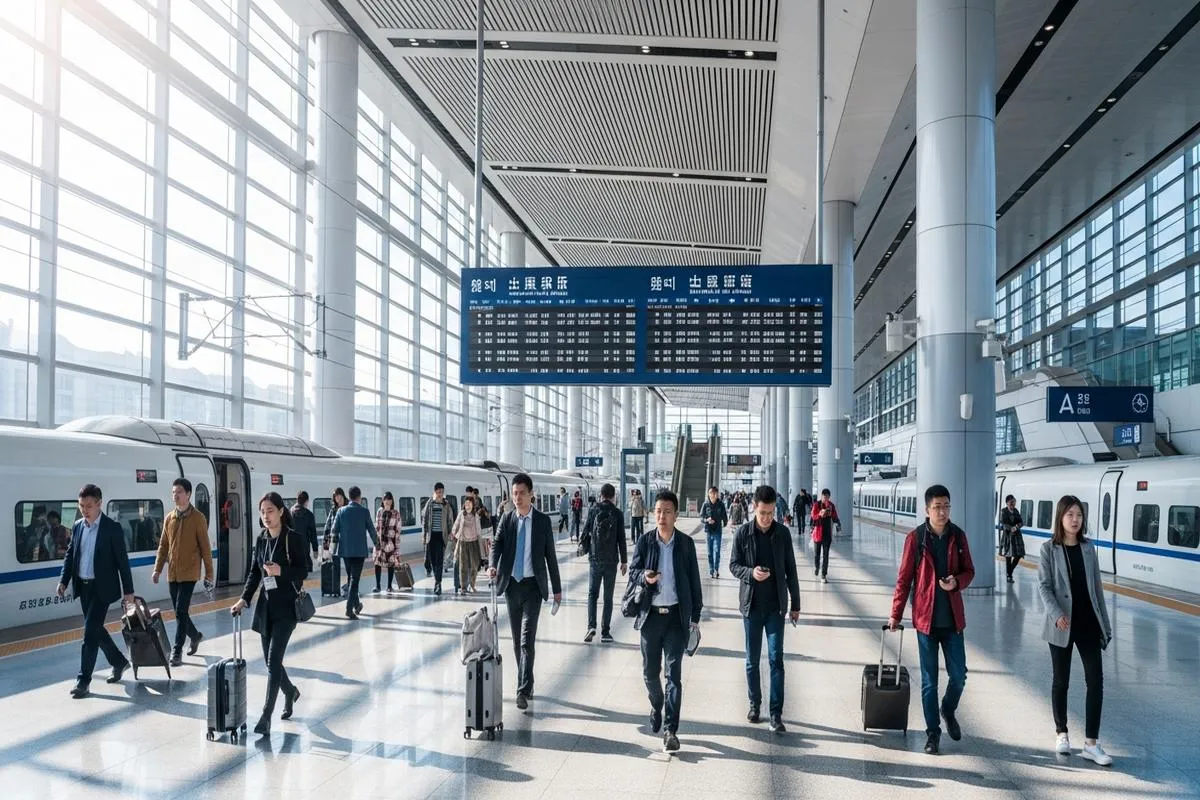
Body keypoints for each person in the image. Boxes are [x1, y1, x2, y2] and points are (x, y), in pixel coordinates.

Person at [888, 484, 976, 755]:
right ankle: (933, 733)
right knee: (929, 682)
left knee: (959, 675)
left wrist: (956, 583)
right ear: (927, 510)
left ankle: (947, 709)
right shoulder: (916, 539)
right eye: (937, 507)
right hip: (925, 621)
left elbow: (969, 571)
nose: (943, 511)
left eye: (946, 506)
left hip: (952, 620)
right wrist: (896, 614)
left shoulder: (958, 536)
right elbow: (904, 579)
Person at [1037, 495, 1114, 766]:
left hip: (1088, 623)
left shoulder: (1088, 548)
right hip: (1061, 625)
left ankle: (1091, 744)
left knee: (1096, 681)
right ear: (1060, 518)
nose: (1075, 519)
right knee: (1061, 680)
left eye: (1079, 515)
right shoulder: (1048, 549)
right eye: (1070, 514)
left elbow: (1097, 589)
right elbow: (1044, 586)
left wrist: (1105, 625)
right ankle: (1062, 732)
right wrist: (1057, 614)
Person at [230, 492, 309, 736]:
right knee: (270, 663)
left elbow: (303, 571)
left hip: (287, 609)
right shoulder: (261, 539)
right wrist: (244, 599)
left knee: (274, 661)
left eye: (270, 511)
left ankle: (266, 716)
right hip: (266, 609)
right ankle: (290, 691)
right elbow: (254, 573)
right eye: (262, 512)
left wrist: (280, 571)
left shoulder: (293, 539)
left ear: (281, 511)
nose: (266, 516)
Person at [629, 489, 703, 753]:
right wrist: (644, 577)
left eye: (667, 511)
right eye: (658, 511)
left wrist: (695, 617)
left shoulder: (686, 544)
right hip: (650, 617)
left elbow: (694, 580)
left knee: (674, 675)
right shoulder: (645, 541)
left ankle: (671, 730)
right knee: (650, 673)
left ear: (676, 515)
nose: (661, 516)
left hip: (675, 618)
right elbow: (633, 572)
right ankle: (656, 703)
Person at [729, 485, 801, 732]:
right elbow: (734, 565)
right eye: (763, 513)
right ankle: (754, 704)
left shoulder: (783, 534)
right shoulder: (743, 533)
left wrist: (795, 604)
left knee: (776, 660)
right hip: (751, 607)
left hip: (775, 609)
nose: (767, 518)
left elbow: (791, 569)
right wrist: (751, 573)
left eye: (771, 513)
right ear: (754, 508)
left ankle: (775, 713)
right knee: (752, 660)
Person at [488, 473, 562, 710]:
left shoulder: (542, 522)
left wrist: (557, 589)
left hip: (533, 587)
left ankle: (521, 690)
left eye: (521, 493)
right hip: (511, 586)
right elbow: (497, 544)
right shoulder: (507, 519)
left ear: (531, 495)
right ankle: (528, 682)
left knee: (526, 640)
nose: (517, 498)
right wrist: (492, 564)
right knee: (516, 642)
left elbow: (550, 556)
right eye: (514, 493)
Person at [57, 483, 135, 699]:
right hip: (83, 587)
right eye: (81, 506)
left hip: (103, 589)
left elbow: (122, 562)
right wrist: (64, 580)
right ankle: (119, 662)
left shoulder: (112, 528)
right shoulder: (78, 526)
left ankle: (83, 681)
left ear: (99, 503)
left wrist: (128, 592)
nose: (84, 510)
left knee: (89, 634)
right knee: (96, 630)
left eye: (88, 506)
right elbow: (71, 555)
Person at [152, 478, 215, 666]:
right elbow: (163, 546)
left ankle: (177, 651)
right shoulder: (169, 518)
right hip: (173, 573)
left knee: (180, 610)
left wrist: (209, 574)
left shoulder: (198, 518)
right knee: (180, 613)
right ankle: (195, 636)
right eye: (173, 492)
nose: (175, 495)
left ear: (188, 494)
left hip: (190, 573)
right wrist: (157, 569)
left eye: (179, 492)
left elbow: (205, 548)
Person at [580, 482, 628, 643]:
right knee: (608, 597)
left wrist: (584, 547)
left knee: (592, 594)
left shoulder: (594, 510)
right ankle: (605, 632)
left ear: (601, 495)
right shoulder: (617, 513)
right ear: (614, 496)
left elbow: (585, 532)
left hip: (595, 559)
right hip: (611, 561)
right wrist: (624, 561)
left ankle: (591, 626)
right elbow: (621, 538)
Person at [333, 486, 378, 619]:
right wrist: (378, 544)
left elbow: (334, 530)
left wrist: (332, 548)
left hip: (345, 551)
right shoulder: (364, 512)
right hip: (359, 551)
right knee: (354, 580)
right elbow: (371, 530)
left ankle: (357, 605)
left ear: (349, 496)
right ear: (359, 497)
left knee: (351, 578)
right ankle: (349, 609)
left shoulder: (341, 511)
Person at [422, 483, 456, 596]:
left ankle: (438, 583)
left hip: (442, 536)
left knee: (440, 560)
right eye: (438, 492)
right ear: (435, 492)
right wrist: (424, 535)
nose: (440, 494)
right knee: (433, 560)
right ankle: (437, 580)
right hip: (431, 536)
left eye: (442, 492)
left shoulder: (446, 505)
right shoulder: (429, 503)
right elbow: (425, 519)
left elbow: (450, 519)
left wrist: (451, 532)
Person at [452, 495, 483, 593]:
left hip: (473, 542)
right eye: (466, 504)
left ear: (473, 505)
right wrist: (454, 534)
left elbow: (479, 530)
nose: (468, 506)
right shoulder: (461, 514)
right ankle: (463, 587)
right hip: (463, 542)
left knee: (474, 565)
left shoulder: (475, 515)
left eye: (469, 503)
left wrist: (481, 543)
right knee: (463, 566)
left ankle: (472, 585)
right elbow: (456, 525)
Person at [809, 488, 841, 583]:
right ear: (822, 496)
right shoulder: (817, 504)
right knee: (817, 555)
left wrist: (838, 523)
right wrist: (820, 514)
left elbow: (835, 516)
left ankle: (823, 575)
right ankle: (817, 567)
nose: (826, 498)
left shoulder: (831, 506)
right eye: (824, 496)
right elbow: (813, 516)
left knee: (826, 555)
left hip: (827, 534)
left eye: (827, 497)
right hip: (818, 534)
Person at [374, 492, 403, 593]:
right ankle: (377, 586)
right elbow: (377, 527)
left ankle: (389, 586)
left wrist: (397, 546)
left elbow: (398, 530)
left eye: (389, 499)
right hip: (380, 541)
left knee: (391, 563)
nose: (387, 501)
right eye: (385, 499)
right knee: (377, 563)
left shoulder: (396, 513)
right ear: (383, 500)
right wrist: (376, 542)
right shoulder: (379, 511)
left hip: (391, 542)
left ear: (392, 501)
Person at [699, 486, 729, 578]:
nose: (712, 495)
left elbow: (725, 516)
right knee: (709, 552)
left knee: (717, 551)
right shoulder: (705, 504)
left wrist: (724, 523)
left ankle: (716, 569)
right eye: (710, 493)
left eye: (714, 493)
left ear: (716, 494)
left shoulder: (721, 504)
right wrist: (707, 520)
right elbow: (701, 517)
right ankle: (711, 570)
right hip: (708, 531)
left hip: (717, 531)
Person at [999, 495, 1026, 584]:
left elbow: (1021, 522)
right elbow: (1003, 523)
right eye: (1011, 502)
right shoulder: (1004, 511)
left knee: (1018, 555)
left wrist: (1017, 526)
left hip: (1017, 536)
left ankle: (1009, 571)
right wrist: (1011, 528)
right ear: (1007, 503)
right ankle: (1009, 576)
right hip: (1008, 536)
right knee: (1008, 556)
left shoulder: (1016, 511)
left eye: (1014, 502)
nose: (1013, 504)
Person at [291, 491, 318, 570]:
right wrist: (315, 549)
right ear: (306, 501)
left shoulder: (290, 512)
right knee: (307, 569)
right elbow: (313, 533)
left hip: (292, 547)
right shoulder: (309, 515)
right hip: (304, 547)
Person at [322, 487, 348, 552]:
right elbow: (327, 527)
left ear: (343, 496)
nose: (338, 499)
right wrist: (325, 544)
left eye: (339, 497)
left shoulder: (349, 508)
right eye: (336, 497)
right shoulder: (333, 510)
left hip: (347, 541)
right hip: (335, 542)